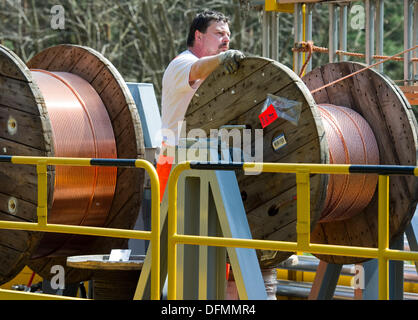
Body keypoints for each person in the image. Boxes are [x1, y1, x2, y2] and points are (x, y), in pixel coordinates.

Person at [157, 10, 245, 197]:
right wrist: (222, 59)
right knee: (169, 223)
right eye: (219, 33)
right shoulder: (181, 63)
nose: (226, 39)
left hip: (202, 157)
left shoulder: (216, 72)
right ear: (199, 36)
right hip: (174, 158)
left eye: (228, 35)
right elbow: (197, 69)